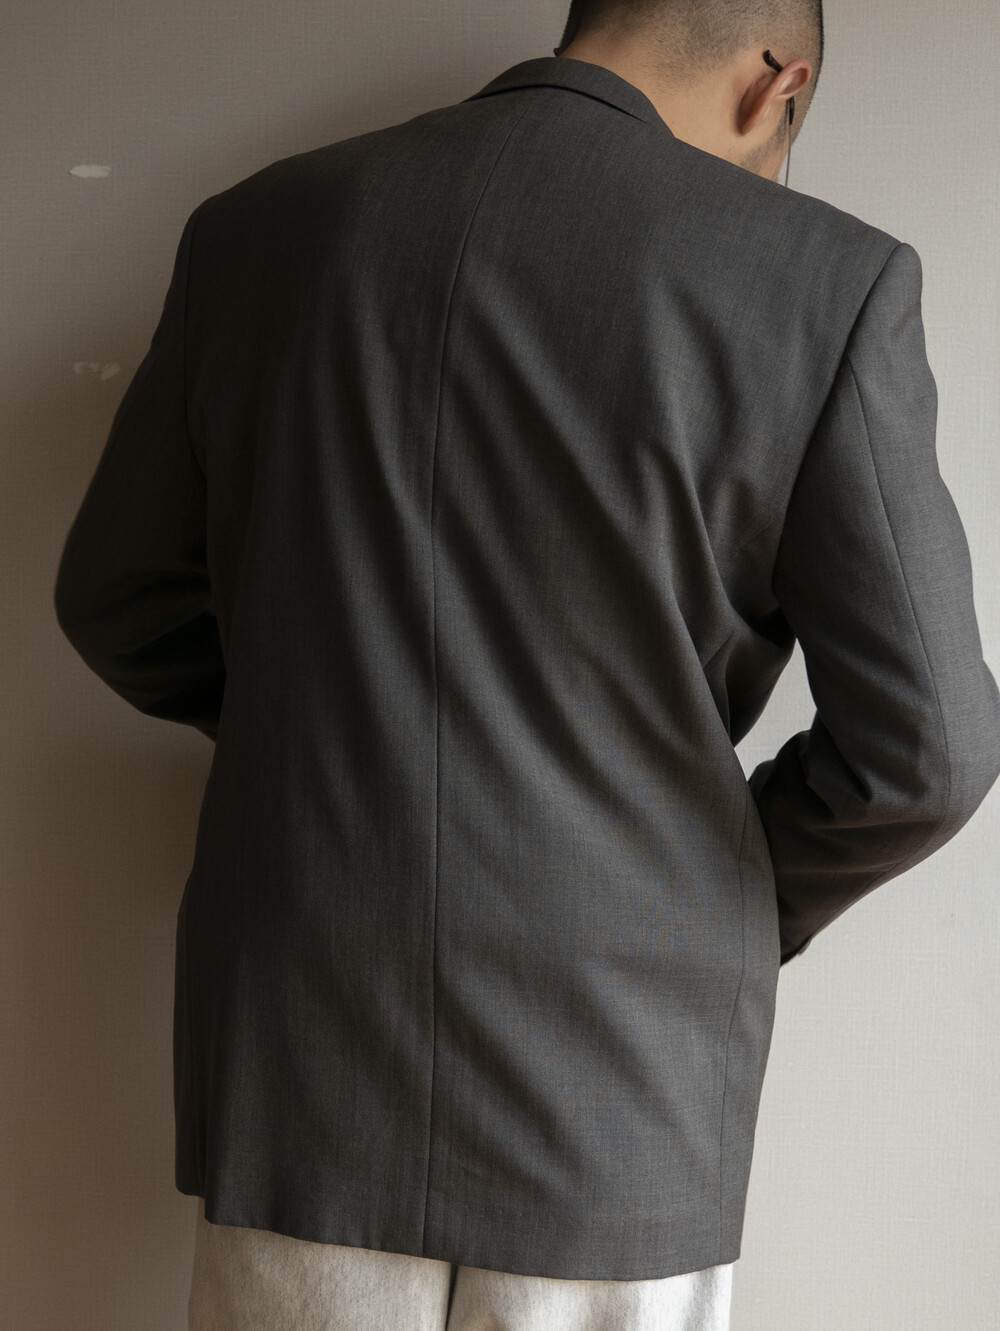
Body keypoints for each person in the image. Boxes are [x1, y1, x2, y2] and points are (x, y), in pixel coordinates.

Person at [53, 1, 1000, 1328]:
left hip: (308, 1041)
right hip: (620, 1074)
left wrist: (330, 735)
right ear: (775, 90)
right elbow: (933, 750)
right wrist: (707, 897)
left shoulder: (256, 231)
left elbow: (116, 599)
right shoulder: (824, 282)